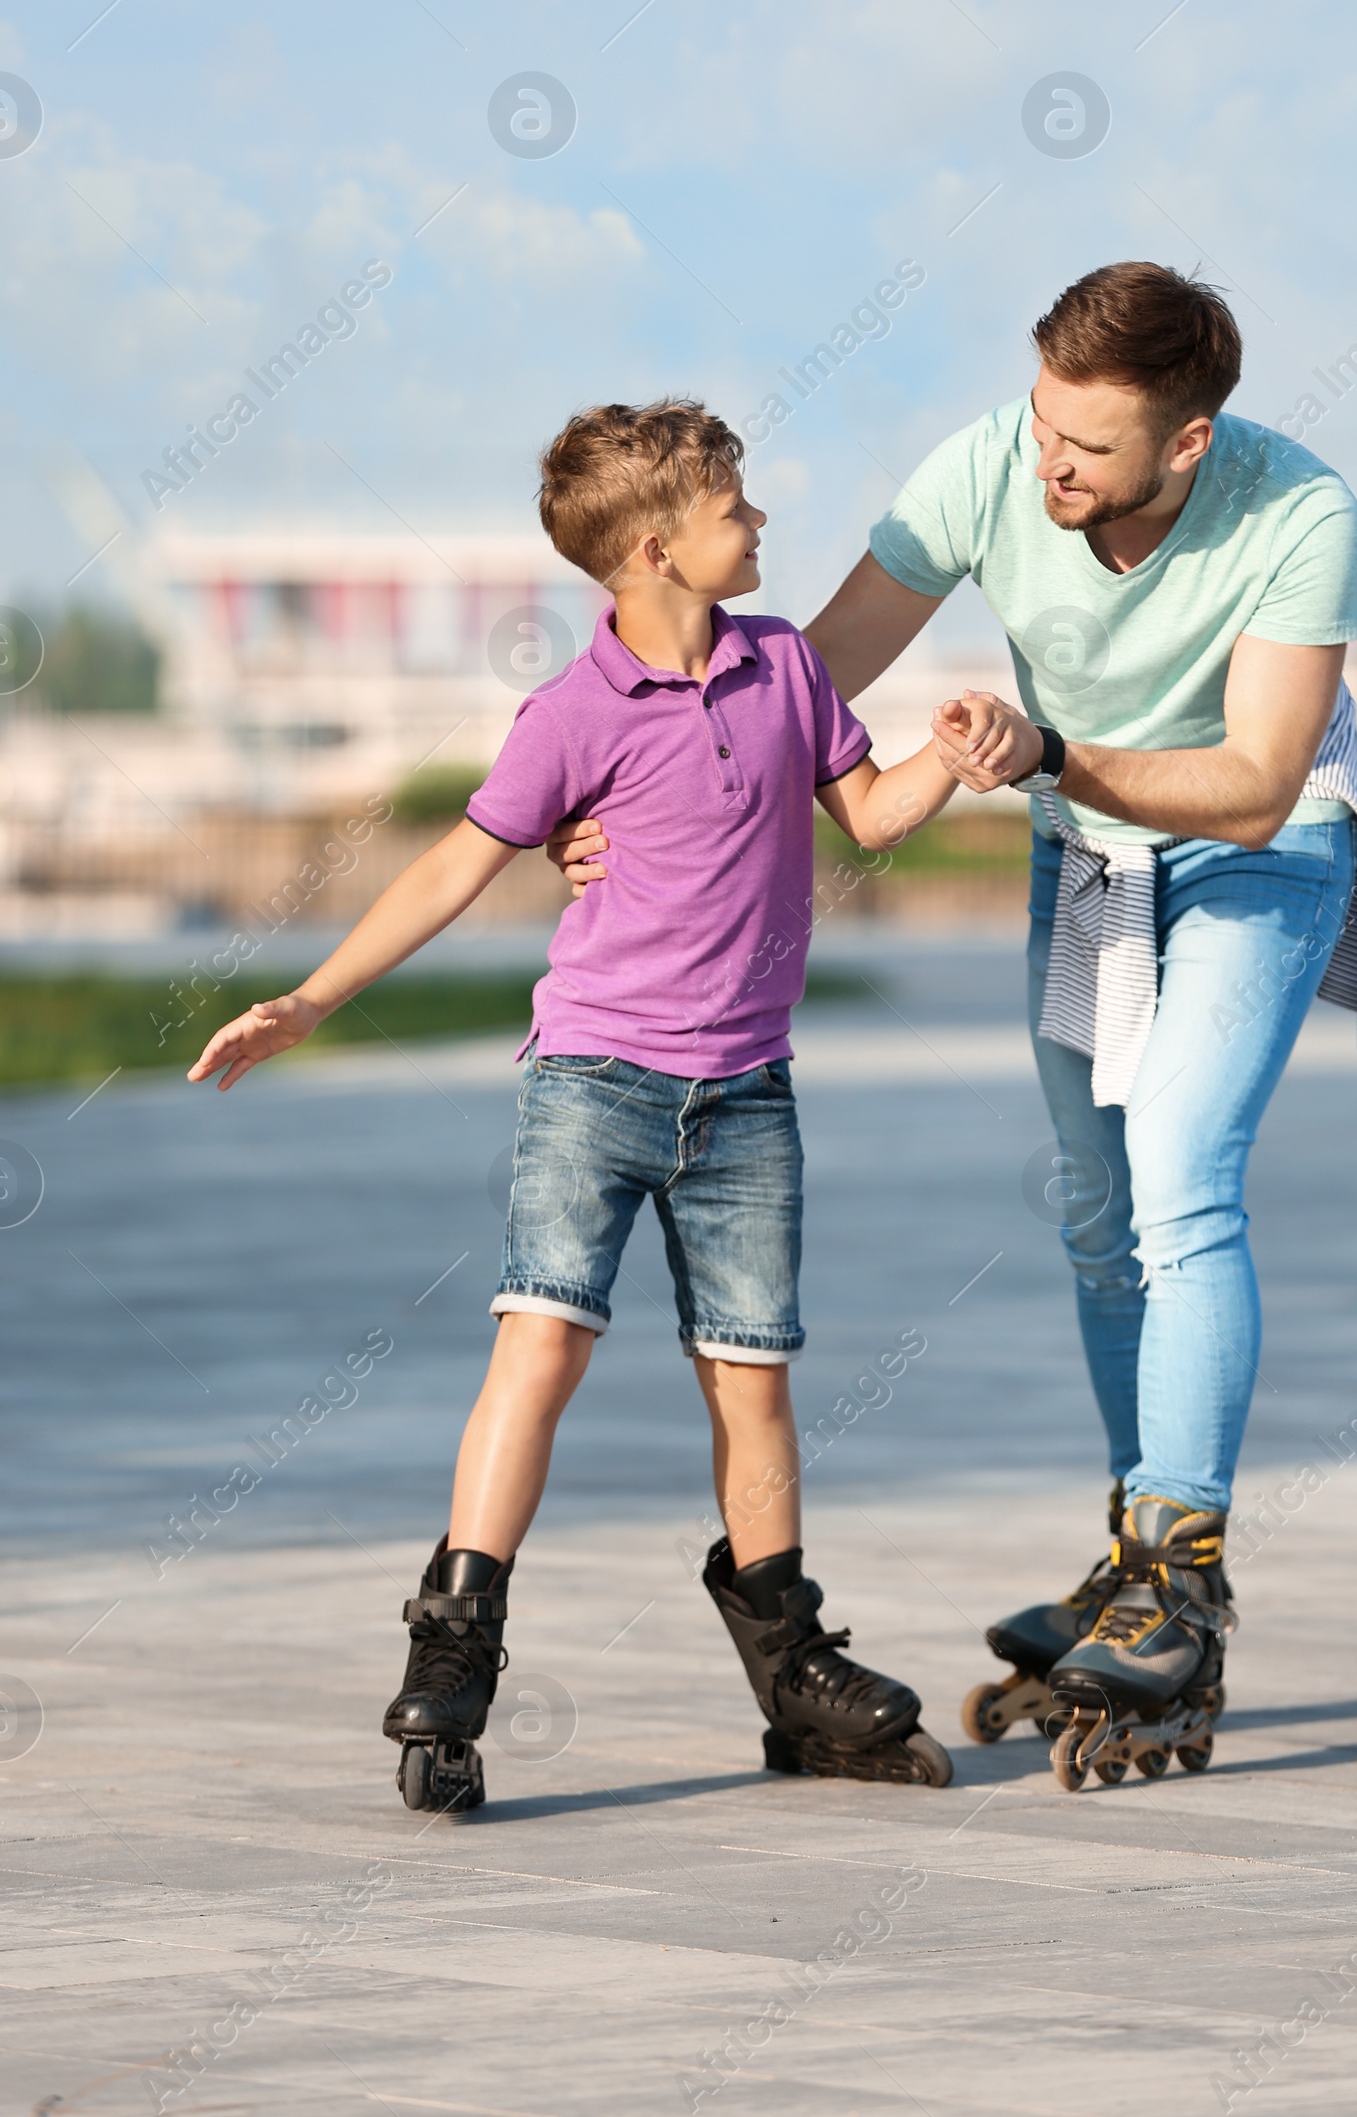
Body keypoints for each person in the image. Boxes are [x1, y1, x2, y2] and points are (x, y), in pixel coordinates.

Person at [548, 265, 1357, 1790]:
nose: (1048, 465)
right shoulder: (992, 463)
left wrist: (1053, 745)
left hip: (1265, 850)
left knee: (1185, 1171)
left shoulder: (1299, 512)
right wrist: (618, 801)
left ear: (1188, 446)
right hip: (1089, 857)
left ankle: (1178, 1576)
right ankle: (1131, 1550)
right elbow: (789, 682)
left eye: (1089, 448)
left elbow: (1259, 783)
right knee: (1094, 1209)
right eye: (1044, 425)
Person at [187, 398, 968, 1811]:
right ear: (661, 548)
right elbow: (452, 866)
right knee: (536, 1354)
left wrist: (969, 752)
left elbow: (876, 818)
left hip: (748, 1096)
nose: (763, 522)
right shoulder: (570, 715)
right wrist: (309, 1001)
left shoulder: (785, 669)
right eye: (738, 507)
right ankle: (453, 1654)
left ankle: (793, 1670)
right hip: (592, 1083)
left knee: (753, 1377)